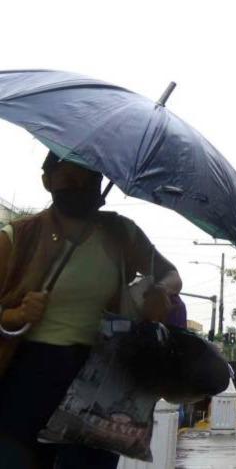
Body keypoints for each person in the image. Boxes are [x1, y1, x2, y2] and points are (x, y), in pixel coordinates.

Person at [0, 153, 183, 469]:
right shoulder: (18, 236)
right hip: (28, 373)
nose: (81, 187)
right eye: (70, 179)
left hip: (97, 377)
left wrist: (162, 290)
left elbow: (171, 274)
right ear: (48, 180)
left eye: (91, 180)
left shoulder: (122, 233)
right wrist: (14, 316)